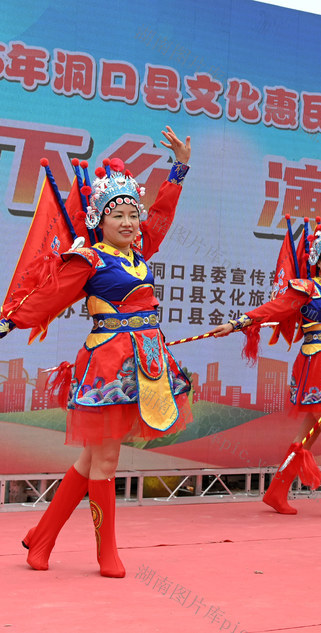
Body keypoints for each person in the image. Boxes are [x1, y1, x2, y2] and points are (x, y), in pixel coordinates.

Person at [1, 128, 193, 577]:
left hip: (144, 362)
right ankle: (106, 553)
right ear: (99, 221)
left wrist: (179, 169)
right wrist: (10, 320)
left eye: (132, 214)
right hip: (108, 366)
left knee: (91, 460)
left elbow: (161, 216)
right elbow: (48, 296)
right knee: (105, 461)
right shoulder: (89, 260)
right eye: (117, 215)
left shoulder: (139, 251)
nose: (128, 222)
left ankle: (41, 539)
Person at [211, 210, 321, 518]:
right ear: (317, 259)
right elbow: (275, 309)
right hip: (319, 364)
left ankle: (277, 491)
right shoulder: (307, 289)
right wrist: (238, 323)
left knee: (310, 432)